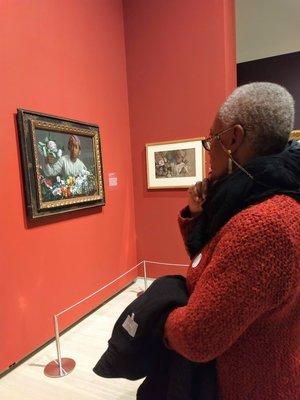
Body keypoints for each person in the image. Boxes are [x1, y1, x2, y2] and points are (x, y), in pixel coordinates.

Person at [164, 82, 300, 400]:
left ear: (233, 138)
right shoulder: (263, 194)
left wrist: (159, 315)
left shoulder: (264, 225)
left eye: (211, 139)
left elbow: (199, 338)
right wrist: (198, 216)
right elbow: (214, 262)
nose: (209, 151)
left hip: (252, 383)